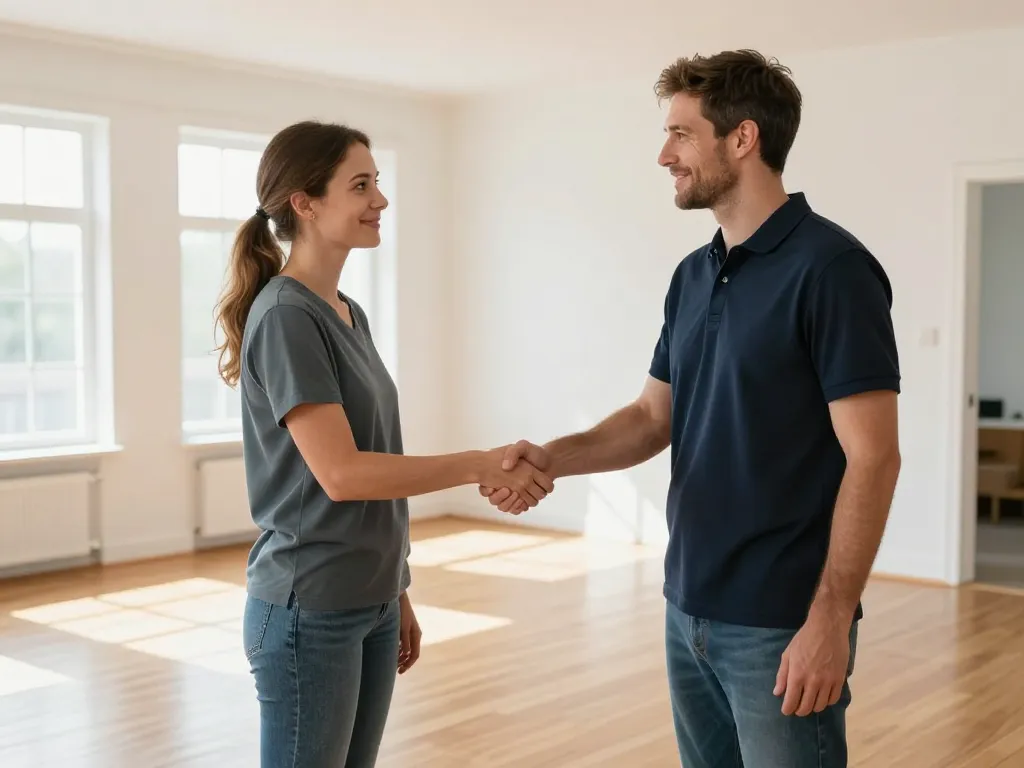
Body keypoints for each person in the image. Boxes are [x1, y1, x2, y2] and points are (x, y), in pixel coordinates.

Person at [481, 50, 901, 767]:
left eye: (681, 133)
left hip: (781, 621)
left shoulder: (832, 270)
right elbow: (652, 418)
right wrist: (552, 458)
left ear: (743, 138)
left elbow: (875, 456)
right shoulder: (693, 275)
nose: (663, 155)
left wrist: (831, 617)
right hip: (688, 607)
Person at [214, 120, 554, 768]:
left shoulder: (346, 311)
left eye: (377, 182)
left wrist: (394, 590)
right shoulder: (287, 316)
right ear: (305, 203)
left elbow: (374, 458)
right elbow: (343, 474)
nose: (381, 200)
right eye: (361, 186)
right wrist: (478, 464)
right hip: (309, 607)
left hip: (366, 599)